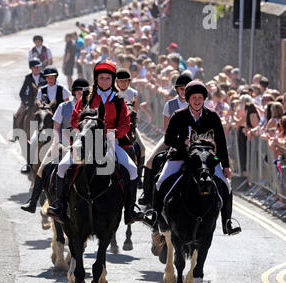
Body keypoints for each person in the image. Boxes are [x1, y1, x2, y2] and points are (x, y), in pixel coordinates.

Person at [47, 61, 146, 226]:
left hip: (111, 141)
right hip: (86, 140)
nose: (105, 81)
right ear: (96, 79)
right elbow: (74, 119)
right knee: (63, 166)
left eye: (108, 78)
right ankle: (60, 206)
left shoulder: (119, 99)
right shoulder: (86, 96)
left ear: (112, 79)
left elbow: (125, 123)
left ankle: (130, 210)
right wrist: (83, 131)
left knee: (133, 169)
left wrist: (113, 133)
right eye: (102, 78)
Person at [153, 80, 241, 236]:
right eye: (194, 98)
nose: (197, 101)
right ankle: (154, 215)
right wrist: (184, 142)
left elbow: (221, 142)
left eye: (200, 97)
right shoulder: (178, 115)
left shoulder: (212, 116)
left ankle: (228, 222)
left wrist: (226, 166)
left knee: (226, 186)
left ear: (204, 99)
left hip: (207, 161)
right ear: (188, 99)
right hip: (181, 156)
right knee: (160, 181)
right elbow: (168, 139)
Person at [21, 78, 90, 213]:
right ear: (74, 92)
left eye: (84, 91)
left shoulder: (92, 108)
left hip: (86, 144)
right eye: (78, 91)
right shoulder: (63, 107)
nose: (81, 93)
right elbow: (56, 128)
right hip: (64, 142)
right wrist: (57, 143)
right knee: (42, 168)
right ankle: (33, 202)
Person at [138, 72, 192, 205]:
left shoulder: (198, 102)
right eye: (181, 89)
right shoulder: (170, 105)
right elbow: (166, 129)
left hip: (194, 140)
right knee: (150, 162)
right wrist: (180, 140)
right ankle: (147, 195)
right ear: (177, 90)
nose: (184, 92)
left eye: (186, 89)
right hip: (172, 138)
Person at [21, 66, 70, 174]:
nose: (50, 80)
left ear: (56, 77)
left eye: (52, 77)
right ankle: (29, 164)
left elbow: (68, 106)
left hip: (59, 123)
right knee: (33, 140)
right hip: (45, 122)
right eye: (48, 78)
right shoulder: (41, 90)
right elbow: (38, 105)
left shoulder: (63, 90)